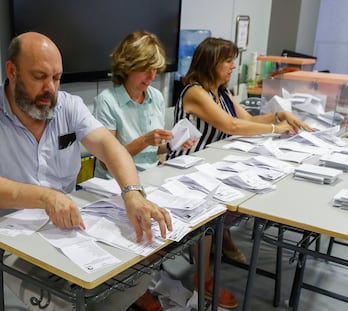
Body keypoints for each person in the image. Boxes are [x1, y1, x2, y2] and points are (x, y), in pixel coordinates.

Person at [0, 32, 172, 311]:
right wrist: (45, 197)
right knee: (63, 305)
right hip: (14, 238)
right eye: (40, 76)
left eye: (56, 78)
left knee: (137, 277)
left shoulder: (68, 105)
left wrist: (132, 193)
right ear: (12, 71)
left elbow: (108, 145)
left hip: (71, 227)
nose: (50, 88)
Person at [168, 37, 313, 271]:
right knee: (212, 211)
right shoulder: (195, 92)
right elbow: (231, 127)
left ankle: (220, 233)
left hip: (215, 165)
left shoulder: (222, 91)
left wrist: (281, 115)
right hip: (190, 169)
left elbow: (247, 120)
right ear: (210, 63)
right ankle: (203, 276)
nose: (233, 66)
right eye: (227, 61)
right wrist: (276, 128)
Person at [93, 31, 197, 311]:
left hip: (152, 179)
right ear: (127, 65)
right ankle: (137, 287)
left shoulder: (153, 96)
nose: (152, 77)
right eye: (145, 69)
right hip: (115, 188)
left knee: (188, 218)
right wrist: (144, 141)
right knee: (149, 230)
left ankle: (143, 283)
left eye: (156, 70)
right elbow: (106, 162)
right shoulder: (108, 101)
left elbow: (158, 153)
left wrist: (174, 144)